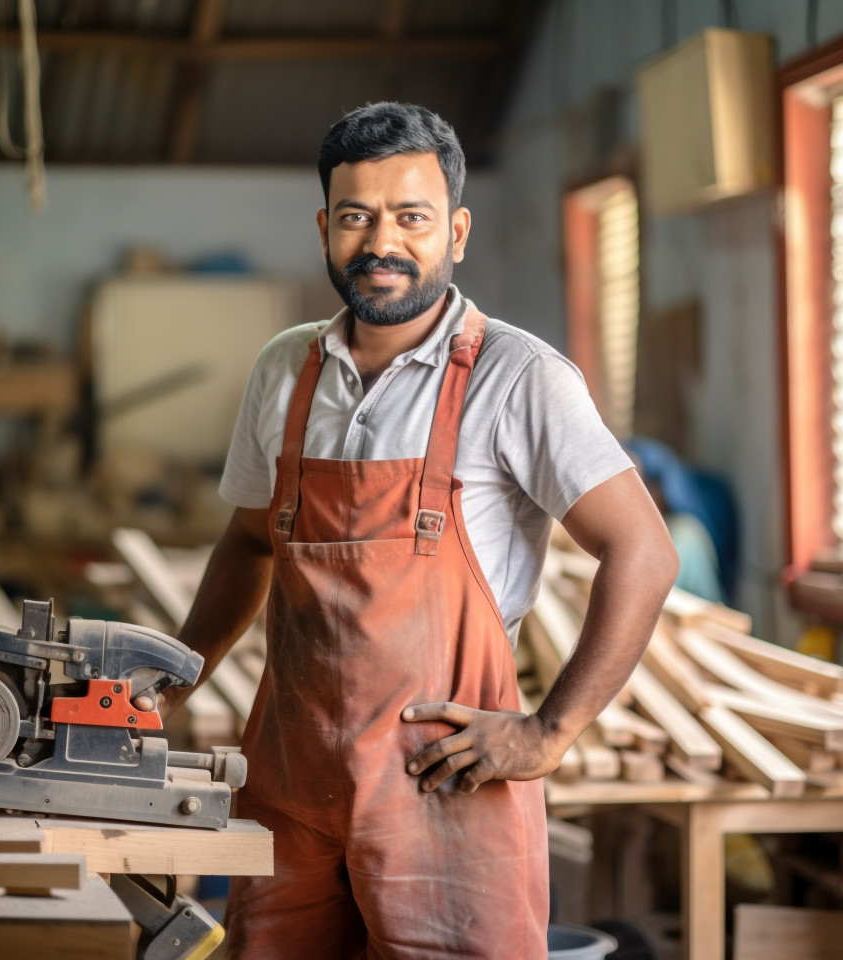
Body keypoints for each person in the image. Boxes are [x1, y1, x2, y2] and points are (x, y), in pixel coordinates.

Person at [150, 102, 678, 959]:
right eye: (356, 216)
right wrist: (177, 677)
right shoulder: (285, 368)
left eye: (411, 217)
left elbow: (645, 552)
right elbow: (252, 542)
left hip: (445, 792)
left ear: (457, 232)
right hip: (290, 783)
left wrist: (548, 733)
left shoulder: (519, 378)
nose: (380, 241)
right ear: (326, 227)